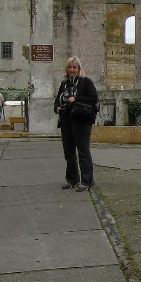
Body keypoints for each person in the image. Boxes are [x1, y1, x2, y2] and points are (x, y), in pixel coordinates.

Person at [53, 56, 98, 192]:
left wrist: (76, 99)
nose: (72, 70)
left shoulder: (86, 82)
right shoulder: (64, 84)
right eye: (69, 67)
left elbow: (93, 98)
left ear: (79, 69)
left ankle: (87, 181)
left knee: (83, 152)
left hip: (82, 121)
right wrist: (57, 108)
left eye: (74, 67)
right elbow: (57, 101)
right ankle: (71, 179)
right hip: (66, 120)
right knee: (69, 152)